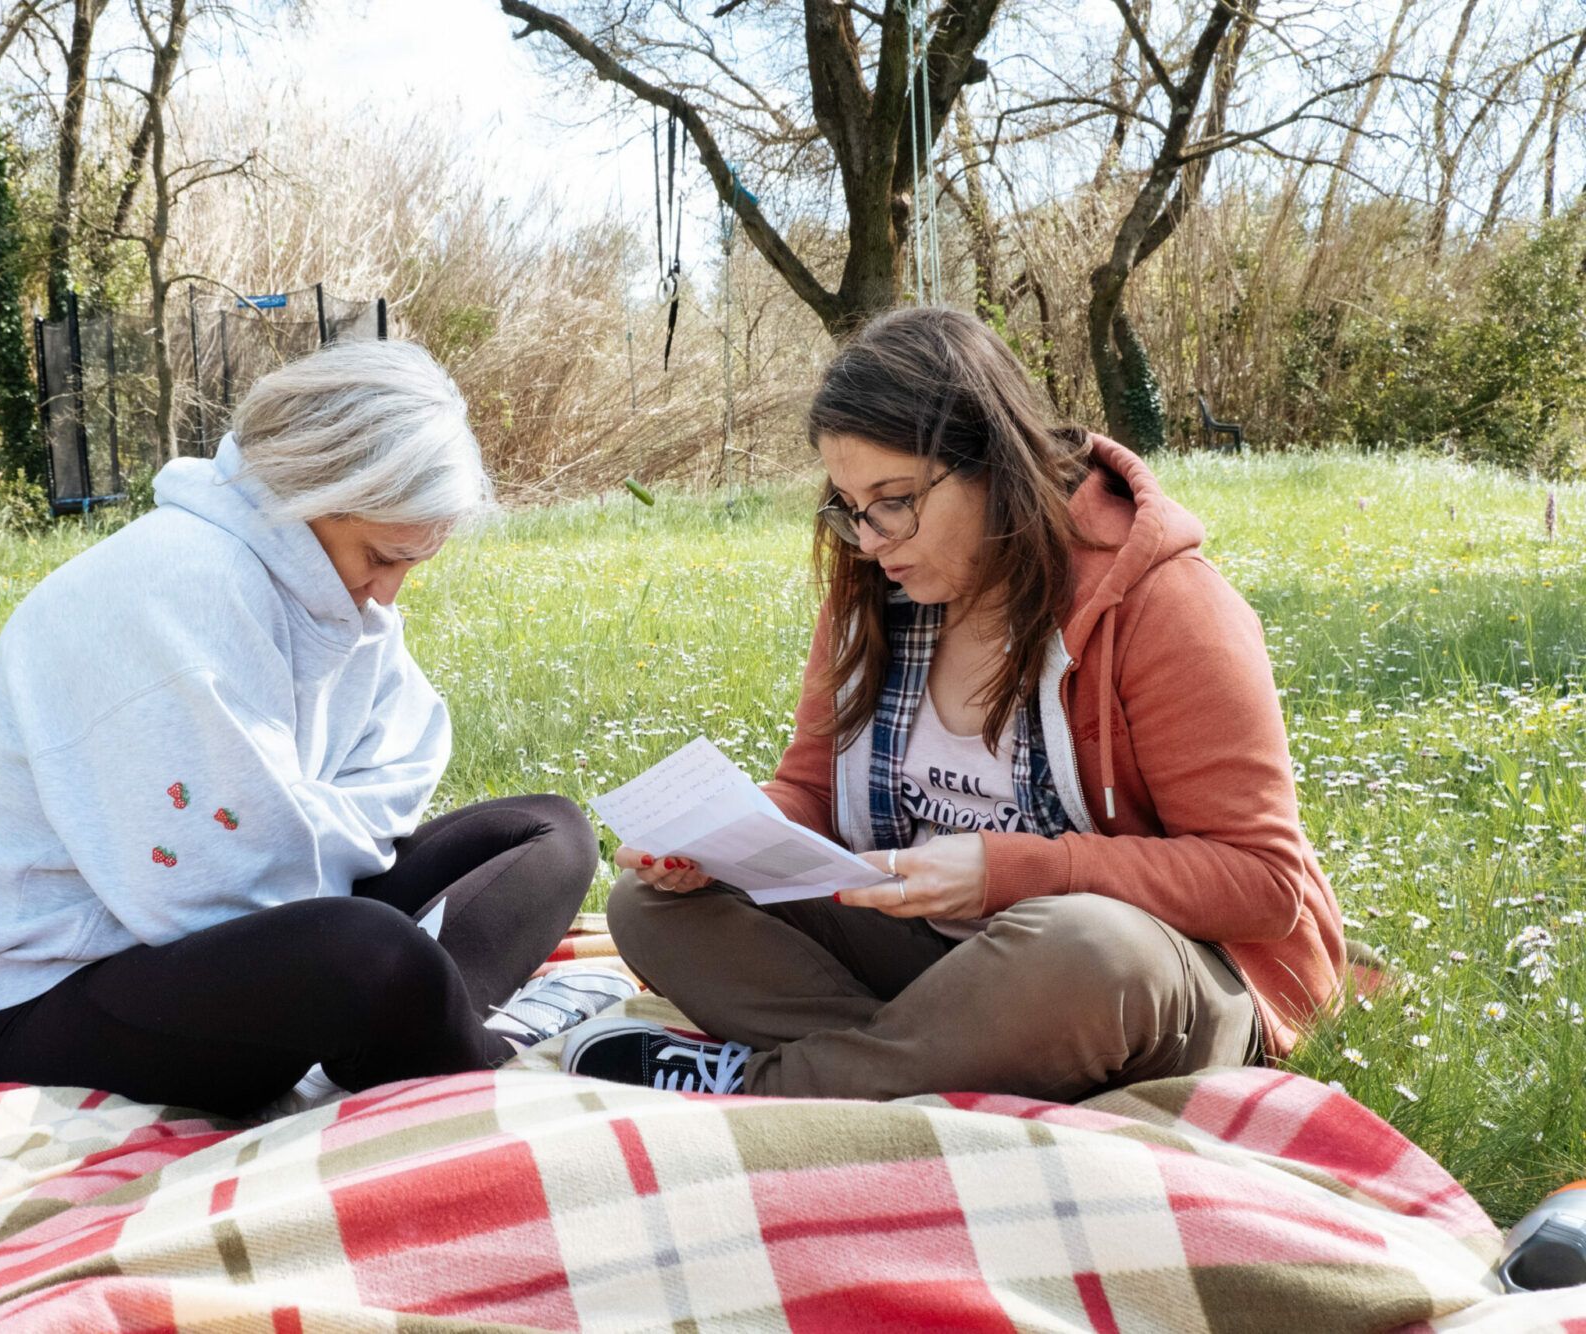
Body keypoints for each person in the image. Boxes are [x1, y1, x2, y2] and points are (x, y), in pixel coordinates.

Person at [562, 307, 1344, 1101]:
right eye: (848, 504)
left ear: (994, 464)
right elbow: (810, 793)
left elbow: (1263, 880)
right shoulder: (876, 593)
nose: (869, 540)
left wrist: (1015, 873)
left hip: (1143, 972)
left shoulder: (1166, 603)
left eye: (894, 499)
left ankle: (770, 1087)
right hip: (935, 956)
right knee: (646, 909)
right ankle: (941, 1059)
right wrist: (720, 842)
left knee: (1082, 947)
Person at [0, 339, 629, 1118]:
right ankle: (475, 1056)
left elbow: (402, 757)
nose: (389, 596)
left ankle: (415, 1032)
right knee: (371, 954)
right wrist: (308, 848)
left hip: (256, 915)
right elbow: (202, 884)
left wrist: (298, 828)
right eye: (383, 556)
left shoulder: (328, 583)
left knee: (549, 832)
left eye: (410, 566)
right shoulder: (176, 586)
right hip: (56, 991)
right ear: (319, 491)